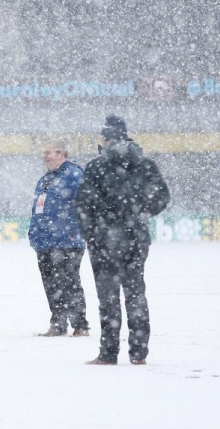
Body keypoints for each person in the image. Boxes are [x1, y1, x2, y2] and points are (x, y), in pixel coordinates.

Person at [77, 115, 170, 365]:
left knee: (108, 299)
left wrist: (93, 234)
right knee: (136, 294)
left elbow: (84, 205)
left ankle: (108, 353)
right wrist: (141, 213)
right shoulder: (145, 164)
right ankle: (139, 353)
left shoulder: (96, 166)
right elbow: (162, 195)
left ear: (106, 139)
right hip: (135, 239)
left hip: (105, 241)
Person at [29, 140, 90, 337]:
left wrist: (75, 230)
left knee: (69, 282)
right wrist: (34, 233)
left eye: (49, 152)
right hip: (45, 242)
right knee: (51, 284)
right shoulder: (44, 180)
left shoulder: (73, 175)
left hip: (67, 240)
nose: (45, 156)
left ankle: (80, 324)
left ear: (62, 153)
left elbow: (85, 204)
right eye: (44, 152)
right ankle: (58, 323)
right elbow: (38, 209)